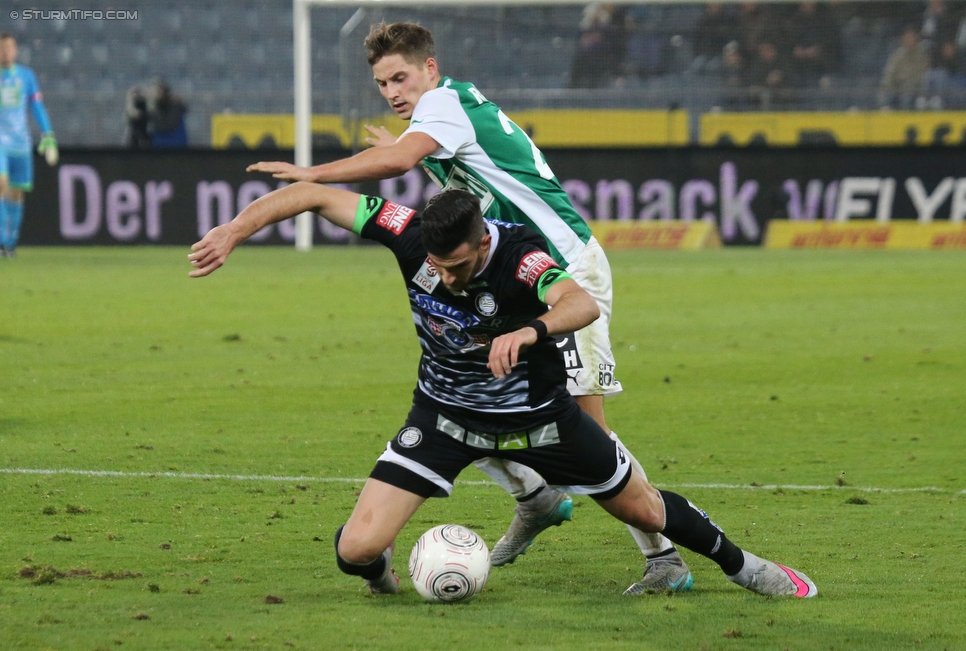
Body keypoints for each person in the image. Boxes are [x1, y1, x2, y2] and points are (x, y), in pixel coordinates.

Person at [187, 183, 819, 601]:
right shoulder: (411, 234)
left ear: (482, 240)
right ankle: (386, 585)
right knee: (355, 550)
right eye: (438, 266)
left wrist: (532, 329)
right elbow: (310, 194)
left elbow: (579, 302)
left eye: (459, 266)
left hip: (542, 421)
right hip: (444, 418)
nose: (448, 277)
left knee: (647, 512)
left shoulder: (519, 255)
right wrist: (236, 230)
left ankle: (746, 568)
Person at [247, 21, 691, 595]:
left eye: (401, 77)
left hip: (563, 274)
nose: (393, 92)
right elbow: (436, 170)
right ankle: (535, 499)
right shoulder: (443, 119)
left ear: (429, 69)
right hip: (504, 283)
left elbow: (398, 163)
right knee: (463, 389)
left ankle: (664, 555)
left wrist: (315, 172)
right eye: (383, 83)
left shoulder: (445, 104)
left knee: (586, 426)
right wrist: (402, 150)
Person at [0, 33, 58, 258]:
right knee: (1, 183)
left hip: (21, 143)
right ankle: (1, 240)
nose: (5, 52)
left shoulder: (27, 76)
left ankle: (10, 242)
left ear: (15, 51)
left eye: (9, 48)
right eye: (2, 48)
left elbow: (37, 107)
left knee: (16, 194)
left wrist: (48, 133)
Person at [879, 26, 931, 110]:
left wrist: (910, 81)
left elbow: (924, 73)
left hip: (915, 86)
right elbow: (889, 72)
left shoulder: (922, 55)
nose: (908, 40)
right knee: (885, 91)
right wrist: (886, 84)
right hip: (898, 85)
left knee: (907, 94)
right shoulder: (898, 55)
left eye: (910, 37)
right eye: (906, 38)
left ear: (915, 38)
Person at [149, 79, 188, 148]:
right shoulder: (153, 108)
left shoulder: (176, 106)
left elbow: (185, 109)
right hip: (160, 142)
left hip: (175, 142)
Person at [125, 85, 152, 149]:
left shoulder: (146, 106)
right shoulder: (130, 107)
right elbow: (131, 115)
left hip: (144, 132)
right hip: (134, 133)